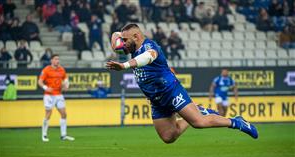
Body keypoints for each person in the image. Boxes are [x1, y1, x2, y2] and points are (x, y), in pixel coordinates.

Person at [106, 24, 258, 144]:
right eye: (123, 40)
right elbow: (115, 35)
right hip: (156, 101)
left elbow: (147, 58)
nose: (123, 44)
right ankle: (197, 110)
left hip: (171, 92)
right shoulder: (131, 46)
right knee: (168, 137)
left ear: (136, 36)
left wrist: (124, 65)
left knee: (199, 123)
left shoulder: (150, 47)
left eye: (125, 40)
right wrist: (117, 38)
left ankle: (237, 122)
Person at [38, 54, 75, 142]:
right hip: (49, 95)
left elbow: (65, 79)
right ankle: (44, 135)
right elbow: (40, 81)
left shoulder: (61, 69)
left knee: (64, 114)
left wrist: (67, 85)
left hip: (58, 94)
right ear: (51, 60)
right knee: (48, 114)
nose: (57, 61)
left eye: (58, 59)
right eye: (55, 59)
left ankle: (63, 135)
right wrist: (46, 88)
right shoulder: (46, 70)